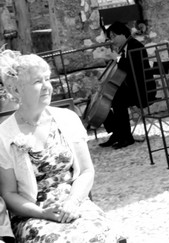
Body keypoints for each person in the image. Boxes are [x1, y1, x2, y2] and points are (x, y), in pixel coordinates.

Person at [0, 50, 117, 242]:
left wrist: (73, 202)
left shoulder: (67, 119)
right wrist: (42, 212)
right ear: (16, 90)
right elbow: (9, 193)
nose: (47, 87)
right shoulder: (4, 135)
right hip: (33, 214)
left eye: (48, 79)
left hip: (74, 203)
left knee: (100, 234)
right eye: (38, 82)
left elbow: (86, 171)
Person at [99, 21, 156, 149]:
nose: (112, 40)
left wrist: (117, 58)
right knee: (105, 97)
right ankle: (117, 133)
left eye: (114, 36)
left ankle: (126, 137)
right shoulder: (124, 48)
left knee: (117, 100)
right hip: (133, 88)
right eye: (110, 37)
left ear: (123, 34)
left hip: (143, 90)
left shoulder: (136, 46)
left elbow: (133, 68)